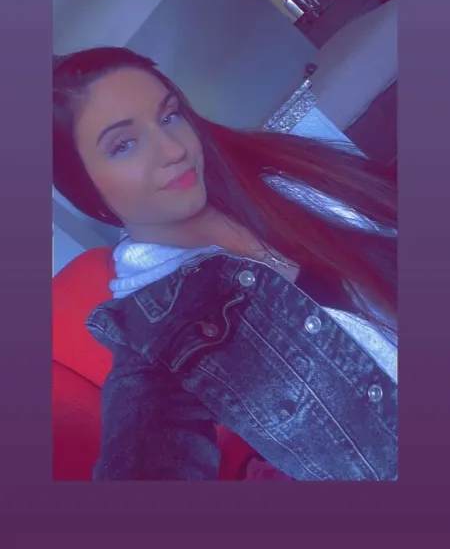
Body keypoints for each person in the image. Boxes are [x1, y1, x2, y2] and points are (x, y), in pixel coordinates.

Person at [53, 46, 398, 481]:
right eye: (123, 145)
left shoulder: (280, 179)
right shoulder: (159, 339)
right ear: (86, 189)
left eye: (169, 116)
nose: (173, 149)